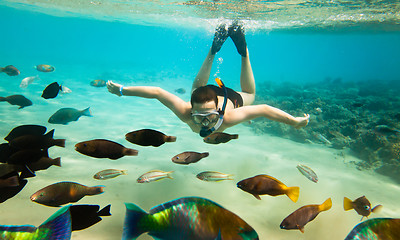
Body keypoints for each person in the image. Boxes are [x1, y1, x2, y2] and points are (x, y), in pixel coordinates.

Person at [107, 22, 310, 137]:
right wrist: (122, 90)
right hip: (206, 94)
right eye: (199, 117)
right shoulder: (186, 112)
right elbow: (157, 93)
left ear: (218, 112)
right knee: (197, 88)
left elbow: (264, 109)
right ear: (191, 110)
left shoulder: (228, 118)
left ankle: (237, 51)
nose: (205, 122)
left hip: (232, 98)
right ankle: (224, 48)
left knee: (249, 95)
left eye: (210, 116)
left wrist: (293, 122)